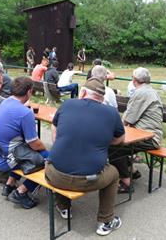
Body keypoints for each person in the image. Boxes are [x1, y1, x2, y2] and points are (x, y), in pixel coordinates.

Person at [45, 77, 125, 236]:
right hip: (89, 180)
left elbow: (54, 134)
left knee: (57, 161)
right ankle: (106, 221)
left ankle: (64, 207)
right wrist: (103, 141)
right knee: (114, 173)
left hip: (54, 175)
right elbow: (120, 139)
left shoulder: (67, 104)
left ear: (82, 92)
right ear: (102, 98)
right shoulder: (111, 112)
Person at [0, 76, 48, 209]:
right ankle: (21, 192)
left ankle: (9, 184)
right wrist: (45, 150)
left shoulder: (0, 103)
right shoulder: (24, 113)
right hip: (3, 160)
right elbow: (34, 143)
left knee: (23, 150)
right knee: (49, 159)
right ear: (29, 92)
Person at [109, 67, 163, 192]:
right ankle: (132, 171)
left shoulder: (140, 93)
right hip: (150, 135)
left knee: (113, 147)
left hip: (150, 138)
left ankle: (126, 183)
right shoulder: (150, 91)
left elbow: (127, 120)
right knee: (119, 145)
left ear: (134, 80)